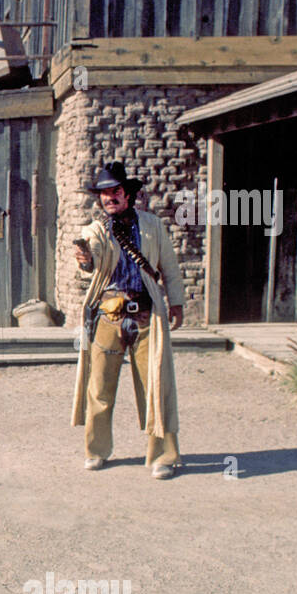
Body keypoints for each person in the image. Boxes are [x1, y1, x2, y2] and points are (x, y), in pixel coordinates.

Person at [71, 161, 184, 479]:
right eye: (104, 194)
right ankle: (96, 450)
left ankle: (164, 456)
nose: (110, 198)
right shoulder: (94, 231)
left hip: (147, 314)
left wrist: (175, 303)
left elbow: (169, 268)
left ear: (128, 194)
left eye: (116, 192)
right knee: (100, 389)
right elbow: (91, 258)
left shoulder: (152, 225)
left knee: (156, 387)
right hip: (109, 316)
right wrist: (86, 260)